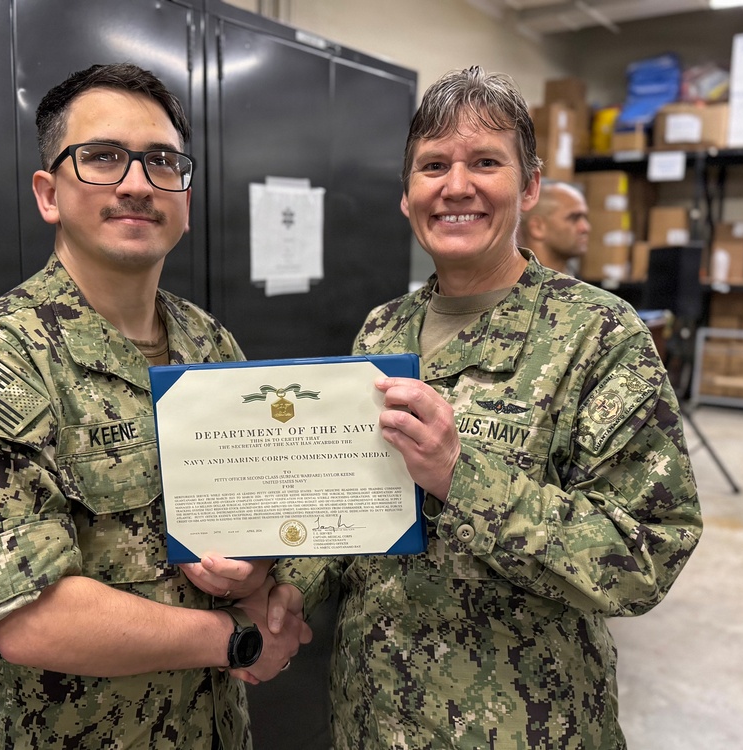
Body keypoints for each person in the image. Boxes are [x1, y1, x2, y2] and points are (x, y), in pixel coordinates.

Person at [267, 66, 702, 749]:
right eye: (433, 165)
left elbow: (645, 554)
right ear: (407, 197)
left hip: (524, 728)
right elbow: (350, 510)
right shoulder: (381, 331)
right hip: (371, 716)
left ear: (528, 187)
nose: (456, 186)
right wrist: (286, 589)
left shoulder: (598, 335)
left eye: (486, 162)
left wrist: (458, 475)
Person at [0, 63, 311, 749]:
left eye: (162, 161)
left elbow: (264, 517)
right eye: (102, 158)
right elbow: (30, 618)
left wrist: (254, 574)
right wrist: (239, 638)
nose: (136, 183)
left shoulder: (210, 344)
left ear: (185, 197)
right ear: (49, 193)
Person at [518, 179, 590, 275]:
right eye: (574, 218)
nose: (585, 228)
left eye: (585, 218)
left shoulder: (578, 286)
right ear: (537, 227)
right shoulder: (515, 285)